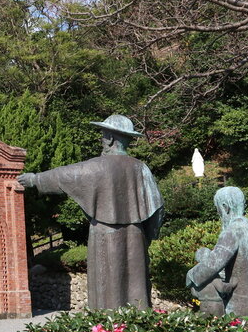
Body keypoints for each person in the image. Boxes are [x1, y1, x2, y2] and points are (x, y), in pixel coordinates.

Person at [18, 114, 164, 309]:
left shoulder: (96, 166)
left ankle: (106, 329)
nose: (102, 139)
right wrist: (148, 235)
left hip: (104, 234)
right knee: (136, 284)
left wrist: (35, 179)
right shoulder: (141, 169)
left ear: (111, 138)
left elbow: (64, 176)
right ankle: (139, 327)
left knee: (106, 285)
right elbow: (158, 209)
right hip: (136, 235)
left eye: (104, 135)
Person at [186, 187, 248, 330]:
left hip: (243, 308)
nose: (219, 214)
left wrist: (191, 275)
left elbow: (212, 265)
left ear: (225, 208)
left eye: (218, 209)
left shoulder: (232, 232)